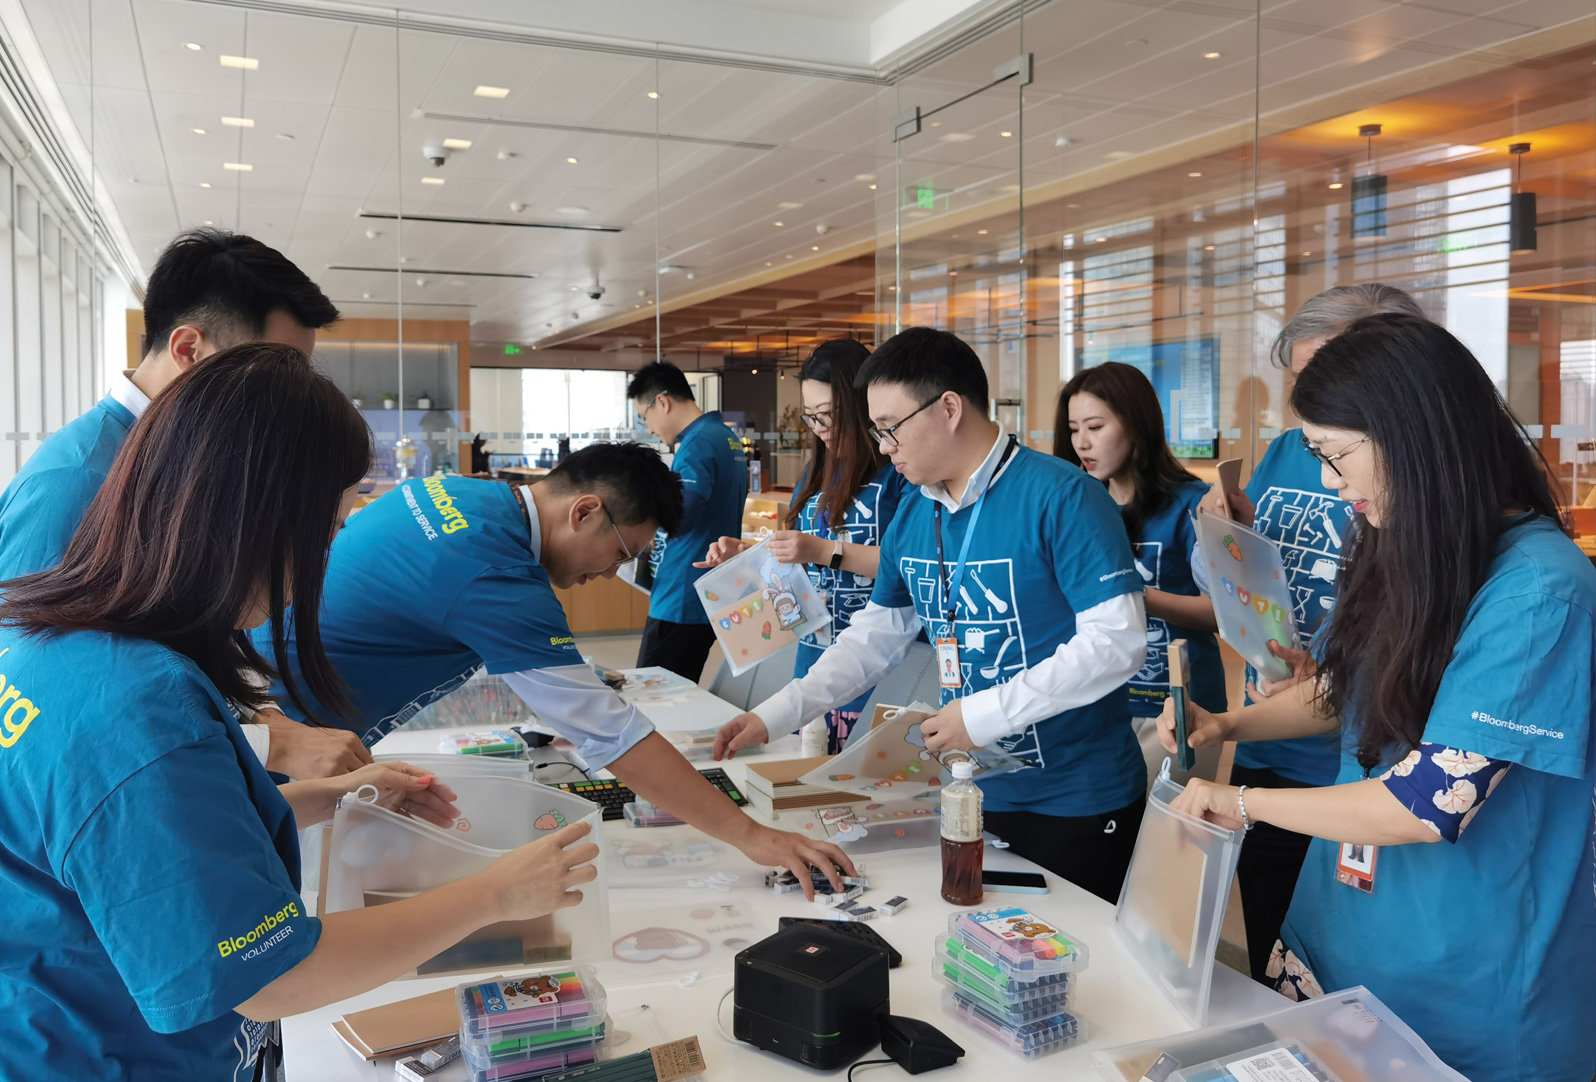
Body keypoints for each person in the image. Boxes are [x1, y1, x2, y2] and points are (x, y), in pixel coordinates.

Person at [0, 344, 600, 1082]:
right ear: (252, 521)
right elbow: (269, 980)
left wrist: (329, 799)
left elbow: (145, 842)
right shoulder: (138, 712)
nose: (324, 557)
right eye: (324, 531)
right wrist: (494, 893)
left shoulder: (52, 638)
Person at [1160, 314, 1596, 1082]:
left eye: (1337, 456)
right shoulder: (1411, 544)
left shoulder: (1540, 592)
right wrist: (1225, 722)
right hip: (1342, 932)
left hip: (1463, 978)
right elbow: (1343, 692)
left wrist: (1244, 803)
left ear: (1418, 437)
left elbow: (1429, 802)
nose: (1331, 483)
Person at [258, 443, 855, 896]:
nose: (608, 573)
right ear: (585, 510)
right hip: (276, 745)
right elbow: (612, 731)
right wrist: (754, 836)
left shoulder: (461, 496)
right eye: (621, 554)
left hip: (267, 714)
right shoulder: (496, 572)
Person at [713, 327, 1150, 903]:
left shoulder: (1062, 496)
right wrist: (776, 715)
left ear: (948, 408)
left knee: (1067, 972)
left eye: (890, 428)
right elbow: (874, 636)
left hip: (1073, 798)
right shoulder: (918, 512)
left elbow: (1117, 642)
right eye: (876, 431)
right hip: (966, 788)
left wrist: (984, 714)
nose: (884, 446)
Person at [0, 227, 365, 782]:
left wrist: (249, 716)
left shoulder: (188, 460)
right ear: (189, 350)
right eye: (271, 368)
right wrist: (266, 744)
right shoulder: (75, 480)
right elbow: (44, 700)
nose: (289, 395)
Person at [1200, 282, 1425, 979]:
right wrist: (1225, 530)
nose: (1311, 408)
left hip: (1354, 767)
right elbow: (1233, 578)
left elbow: (1430, 801)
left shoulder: (1436, 521)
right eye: (1300, 384)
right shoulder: (1299, 452)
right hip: (1288, 713)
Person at [696, 339, 909, 753]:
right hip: (814, 662)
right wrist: (754, 560)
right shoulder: (816, 473)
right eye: (811, 417)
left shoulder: (900, 474)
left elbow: (909, 567)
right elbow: (801, 574)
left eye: (829, 415)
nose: (820, 429)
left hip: (883, 668)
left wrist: (821, 550)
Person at [1055, 362, 1224, 741]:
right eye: (1073, 430)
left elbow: (1221, 613)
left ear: (1135, 425)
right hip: (1098, 699)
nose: (1081, 443)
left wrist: (1130, 594)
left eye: (1095, 428)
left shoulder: (1192, 505)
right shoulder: (1076, 506)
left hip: (1178, 707)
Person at [628, 361, 748, 680]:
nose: (651, 429)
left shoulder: (696, 444)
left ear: (662, 402)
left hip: (680, 595)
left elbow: (682, 512)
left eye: (646, 418)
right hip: (710, 590)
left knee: (653, 696)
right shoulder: (726, 437)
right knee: (680, 691)